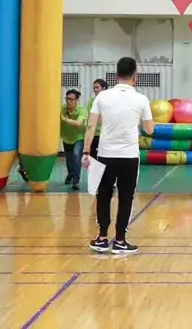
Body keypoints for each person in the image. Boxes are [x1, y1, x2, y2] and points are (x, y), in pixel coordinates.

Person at [82, 57, 154, 254]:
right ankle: (120, 241)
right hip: (129, 156)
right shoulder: (141, 99)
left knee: (103, 195)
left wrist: (86, 151)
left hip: (105, 154)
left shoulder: (102, 97)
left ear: (116, 75)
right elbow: (149, 129)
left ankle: (102, 238)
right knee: (126, 197)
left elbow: (91, 125)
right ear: (135, 76)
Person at [60, 89, 88, 190]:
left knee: (76, 156)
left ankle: (76, 181)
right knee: (69, 161)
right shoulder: (62, 109)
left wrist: (64, 119)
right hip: (66, 138)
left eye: (71, 99)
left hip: (78, 138)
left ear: (77, 100)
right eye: (67, 99)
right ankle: (70, 174)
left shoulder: (82, 110)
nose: (69, 101)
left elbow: (78, 124)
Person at [88, 79, 108, 158]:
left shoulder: (109, 100)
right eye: (94, 88)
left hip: (106, 134)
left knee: (105, 157)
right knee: (93, 157)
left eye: (97, 87)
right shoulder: (92, 101)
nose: (95, 90)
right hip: (95, 134)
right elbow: (90, 118)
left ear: (104, 88)